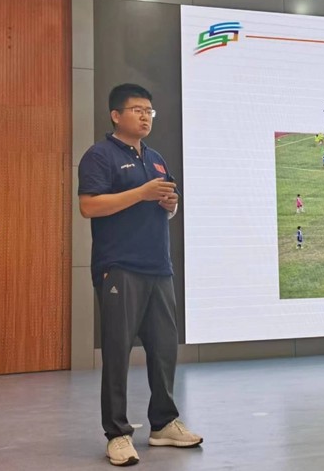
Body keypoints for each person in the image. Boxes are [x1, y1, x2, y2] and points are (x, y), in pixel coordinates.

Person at [78, 84, 202, 467]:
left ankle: (163, 424)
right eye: (137, 110)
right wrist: (142, 193)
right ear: (116, 115)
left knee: (164, 349)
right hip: (120, 267)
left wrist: (170, 204)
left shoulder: (157, 158)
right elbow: (89, 206)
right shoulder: (99, 156)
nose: (146, 116)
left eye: (149, 111)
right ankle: (117, 434)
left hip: (158, 267)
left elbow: (163, 205)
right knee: (117, 352)